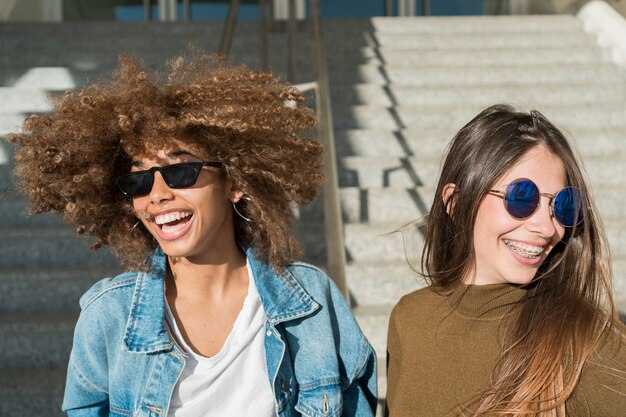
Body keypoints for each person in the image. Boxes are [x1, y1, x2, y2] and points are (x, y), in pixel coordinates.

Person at [6, 52, 377, 417]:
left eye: (181, 172)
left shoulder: (312, 301)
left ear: (234, 183)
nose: (157, 194)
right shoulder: (109, 314)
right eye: (138, 180)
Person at [385, 104, 626, 417]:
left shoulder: (587, 339)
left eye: (563, 205)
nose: (547, 227)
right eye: (521, 197)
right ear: (456, 203)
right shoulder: (408, 318)